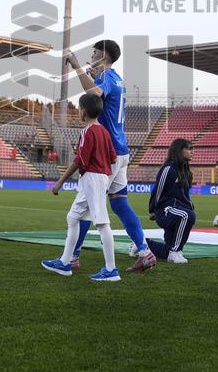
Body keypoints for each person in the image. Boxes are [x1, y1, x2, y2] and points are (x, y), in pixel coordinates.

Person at [66, 40, 156, 273]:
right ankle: (145, 252)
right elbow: (100, 90)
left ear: (104, 56)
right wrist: (91, 75)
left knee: (85, 204)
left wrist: (76, 67)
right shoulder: (116, 77)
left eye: (95, 53)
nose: (92, 55)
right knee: (120, 203)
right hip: (121, 149)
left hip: (108, 152)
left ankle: (72, 257)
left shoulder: (106, 77)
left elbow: (94, 94)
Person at [41, 93, 121, 281]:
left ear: (83, 111)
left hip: (92, 178)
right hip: (98, 178)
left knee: (102, 223)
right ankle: (65, 262)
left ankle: (111, 269)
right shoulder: (104, 131)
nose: (78, 111)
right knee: (73, 217)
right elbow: (113, 158)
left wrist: (60, 181)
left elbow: (80, 160)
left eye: (79, 108)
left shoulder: (87, 131)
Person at [144, 138, 196, 263]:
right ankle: (175, 252)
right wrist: (153, 210)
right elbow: (158, 191)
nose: (192, 152)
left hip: (177, 211)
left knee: (166, 250)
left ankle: (142, 244)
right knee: (187, 216)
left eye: (192, 149)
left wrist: (190, 206)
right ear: (179, 151)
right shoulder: (168, 169)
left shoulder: (187, 172)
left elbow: (185, 196)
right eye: (188, 149)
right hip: (165, 211)